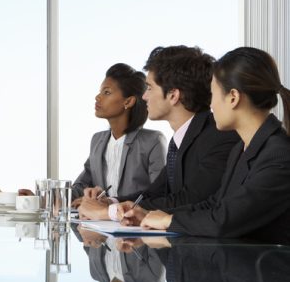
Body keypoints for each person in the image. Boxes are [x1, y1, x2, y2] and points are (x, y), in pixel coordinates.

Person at [140, 47, 290, 242]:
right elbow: (214, 204)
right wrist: (149, 214)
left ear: (233, 98)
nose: (210, 105)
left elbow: (224, 220)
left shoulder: (279, 154)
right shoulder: (240, 149)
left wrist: (169, 220)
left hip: (270, 269)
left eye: (213, 94)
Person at [78, 45, 239, 221]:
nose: (144, 96)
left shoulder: (219, 136)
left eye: (149, 88)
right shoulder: (180, 139)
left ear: (173, 95)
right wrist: (110, 202)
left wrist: (111, 212)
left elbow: (190, 199)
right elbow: (153, 194)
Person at [71, 63, 166, 203]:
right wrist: (42, 197)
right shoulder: (97, 140)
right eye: (100, 92)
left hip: (135, 222)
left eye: (107, 92)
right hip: (99, 223)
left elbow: (159, 194)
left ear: (128, 101)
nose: (98, 97)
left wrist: (111, 203)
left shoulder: (153, 141)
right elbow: (81, 186)